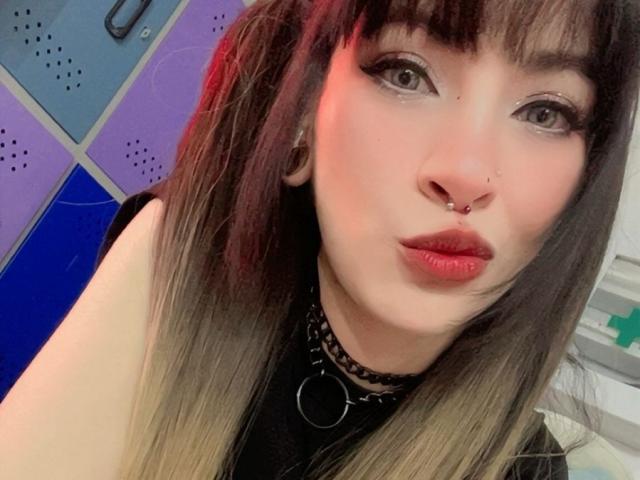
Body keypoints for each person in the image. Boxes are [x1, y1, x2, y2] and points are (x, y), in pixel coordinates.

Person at [1, 0, 638, 479]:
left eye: (545, 113)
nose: (468, 175)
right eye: (406, 74)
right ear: (304, 116)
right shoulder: (178, 267)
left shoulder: (524, 470)